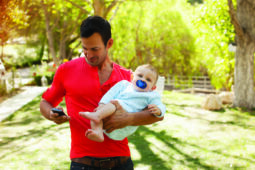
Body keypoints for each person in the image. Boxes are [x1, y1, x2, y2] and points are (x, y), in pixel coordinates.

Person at [39, 16, 164, 170]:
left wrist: (128, 119)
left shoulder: (128, 77)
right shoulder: (66, 70)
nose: (88, 54)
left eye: (94, 49)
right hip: (83, 163)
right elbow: (46, 102)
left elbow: (158, 114)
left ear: (109, 44)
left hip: (122, 162)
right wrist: (51, 114)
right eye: (85, 48)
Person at [79, 64, 166, 142]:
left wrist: (159, 110)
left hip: (126, 127)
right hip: (110, 114)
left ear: (153, 87)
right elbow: (110, 94)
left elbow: (161, 106)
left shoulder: (152, 95)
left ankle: (97, 116)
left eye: (148, 80)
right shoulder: (124, 85)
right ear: (132, 77)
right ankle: (97, 132)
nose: (142, 80)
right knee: (101, 112)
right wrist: (102, 105)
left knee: (113, 104)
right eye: (140, 76)